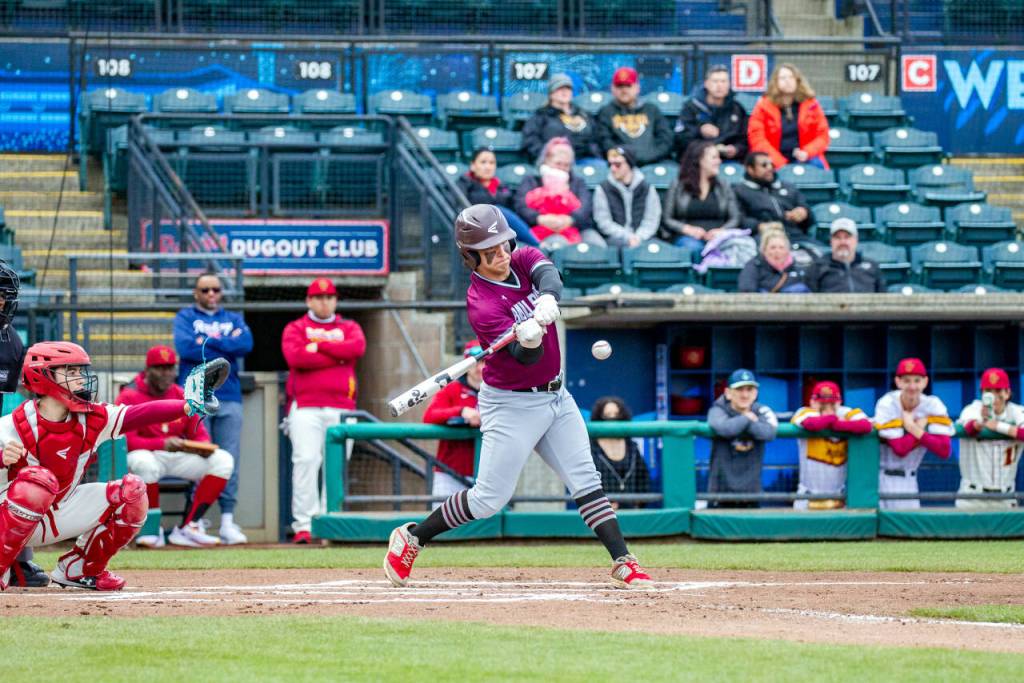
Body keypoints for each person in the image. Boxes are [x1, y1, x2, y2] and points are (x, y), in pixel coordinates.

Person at [383, 204, 653, 589]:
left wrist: (546, 298)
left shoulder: (520, 256)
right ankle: (413, 536)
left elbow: (545, 269)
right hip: (511, 404)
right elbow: (527, 359)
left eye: (501, 243)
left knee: (586, 480)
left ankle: (624, 561)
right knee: (488, 500)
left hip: (556, 397)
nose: (501, 253)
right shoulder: (482, 304)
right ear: (470, 256)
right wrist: (530, 338)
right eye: (489, 249)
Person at [0, 341, 220, 590]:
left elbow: (140, 413)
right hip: (7, 518)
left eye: (80, 371)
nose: (81, 379)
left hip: (56, 512)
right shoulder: (12, 425)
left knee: (132, 492)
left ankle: (79, 570)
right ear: (43, 376)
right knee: (37, 481)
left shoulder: (92, 417)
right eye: (71, 372)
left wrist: (187, 405)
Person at [119, 345, 234, 548]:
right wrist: (161, 443)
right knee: (143, 461)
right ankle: (152, 529)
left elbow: (200, 434)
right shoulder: (129, 395)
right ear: (148, 370)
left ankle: (190, 527)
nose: (166, 373)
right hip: (146, 456)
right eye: (160, 368)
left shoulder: (182, 394)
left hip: (177, 454)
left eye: (170, 368)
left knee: (223, 460)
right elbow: (125, 441)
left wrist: (201, 447)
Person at [281, 277, 366, 544]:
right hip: (305, 406)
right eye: (318, 297)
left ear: (335, 300)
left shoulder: (348, 326)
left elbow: (357, 348)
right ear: (309, 300)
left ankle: (332, 520)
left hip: (342, 406)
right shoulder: (296, 327)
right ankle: (305, 525)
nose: (324, 301)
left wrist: (318, 346)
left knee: (336, 466)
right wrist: (338, 355)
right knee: (306, 461)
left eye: (329, 297)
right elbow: (296, 357)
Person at [173, 272, 253, 545]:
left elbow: (246, 344)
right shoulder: (185, 316)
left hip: (229, 395)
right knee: (201, 457)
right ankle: (194, 521)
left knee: (230, 458)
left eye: (215, 289)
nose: (211, 294)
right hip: (196, 396)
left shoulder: (233, 318)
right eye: (205, 290)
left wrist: (206, 343)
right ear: (196, 293)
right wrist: (224, 345)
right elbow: (185, 347)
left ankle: (228, 521)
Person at [874, 358, 954, 510]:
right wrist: (916, 428)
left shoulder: (933, 404)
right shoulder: (887, 403)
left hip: (911, 479)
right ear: (898, 382)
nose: (912, 386)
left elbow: (944, 450)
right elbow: (900, 449)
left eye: (917, 381)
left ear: (925, 382)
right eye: (906, 381)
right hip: (885, 478)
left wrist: (914, 429)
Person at [421, 340, 484, 506]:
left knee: (482, 529)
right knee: (441, 526)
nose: (480, 368)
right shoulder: (452, 388)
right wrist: (461, 412)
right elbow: (429, 416)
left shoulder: (498, 391)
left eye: (484, 362)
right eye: (475, 363)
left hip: (485, 476)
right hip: (449, 474)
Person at [790, 381, 872, 509]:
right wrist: (834, 421)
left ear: (839, 402)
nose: (827, 407)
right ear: (812, 402)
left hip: (838, 496)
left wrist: (837, 424)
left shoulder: (846, 412)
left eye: (832, 403)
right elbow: (812, 424)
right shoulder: (805, 411)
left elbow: (866, 426)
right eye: (822, 403)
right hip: (809, 496)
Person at [706, 369, 778, 508]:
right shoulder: (718, 409)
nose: (745, 395)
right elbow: (724, 428)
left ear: (755, 393)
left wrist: (746, 423)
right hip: (721, 494)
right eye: (739, 389)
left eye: (749, 389)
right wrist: (746, 418)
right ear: (728, 393)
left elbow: (769, 432)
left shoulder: (762, 410)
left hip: (751, 493)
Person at [956, 368, 1024, 509]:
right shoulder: (972, 410)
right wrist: (980, 423)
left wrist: (998, 426)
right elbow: (968, 427)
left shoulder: (1017, 412)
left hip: (1006, 497)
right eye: (988, 391)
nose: (994, 396)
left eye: (998, 391)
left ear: (1007, 393)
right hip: (972, 497)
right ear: (982, 394)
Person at [659, 140, 742, 255]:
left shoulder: (723, 185)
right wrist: (687, 229)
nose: (719, 161)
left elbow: (735, 217)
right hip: (687, 236)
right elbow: (667, 218)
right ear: (700, 160)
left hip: (719, 236)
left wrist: (722, 231)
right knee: (694, 248)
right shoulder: (678, 185)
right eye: (714, 158)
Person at [733, 151, 819, 259]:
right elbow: (737, 218)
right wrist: (758, 226)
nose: (769, 168)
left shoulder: (788, 187)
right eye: (764, 165)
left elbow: (808, 214)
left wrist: (804, 213)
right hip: (763, 237)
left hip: (795, 234)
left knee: (820, 254)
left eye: (771, 165)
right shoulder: (740, 191)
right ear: (750, 169)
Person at [747, 63, 830, 169]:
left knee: (817, 166)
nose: (788, 81)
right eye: (783, 78)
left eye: (791, 77)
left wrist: (806, 152)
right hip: (772, 160)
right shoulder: (763, 106)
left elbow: (823, 136)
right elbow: (757, 139)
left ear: (797, 81)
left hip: (804, 158)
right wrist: (779, 162)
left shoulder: (811, 105)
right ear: (775, 83)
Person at [513, 137, 592, 247]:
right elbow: (521, 206)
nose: (562, 168)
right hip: (538, 228)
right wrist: (540, 218)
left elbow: (585, 208)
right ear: (546, 160)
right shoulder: (531, 180)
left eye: (566, 165)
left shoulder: (577, 182)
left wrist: (570, 219)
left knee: (595, 244)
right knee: (559, 243)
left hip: (573, 227)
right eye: (558, 164)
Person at [456, 148, 538, 247]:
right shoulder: (465, 182)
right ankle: (537, 245)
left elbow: (514, 209)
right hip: (477, 227)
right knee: (498, 210)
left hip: (500, 230)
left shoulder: (501, 186)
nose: (488, 167)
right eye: (483, 162)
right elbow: (460, 206)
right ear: (473, 166)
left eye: (492, 163)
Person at [595, 66, 674, 165]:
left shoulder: (652, 110)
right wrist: (625, 157)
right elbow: (605, 141)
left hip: (654, 162)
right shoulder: (606, 112)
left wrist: (650, 157)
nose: (624, 90)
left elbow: (665, 139)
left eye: (628, 85)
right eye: (619, 86)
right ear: (612, 89)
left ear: (637, 88)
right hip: (621, 164)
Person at [589, 146, 662, 248]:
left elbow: (652, 219)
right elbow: (603, 221)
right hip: (615, 239)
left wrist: (638, 237)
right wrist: (628, 237)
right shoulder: (603, 188)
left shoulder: (647, 188)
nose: (612, 169)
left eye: (618, 165)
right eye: (610, 164)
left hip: (644, 237)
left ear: (629, 164)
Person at [674, 64, 749, 161]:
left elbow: (744, 139)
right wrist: (699, 130)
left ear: (729, 84)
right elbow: (680, 138)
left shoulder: (737, 109)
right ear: (706, 84)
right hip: (697, 160)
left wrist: (736, 149)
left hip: (728, 160)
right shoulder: (691, 107)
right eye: (715, 81)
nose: (719, 85)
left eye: (723, 81)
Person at [589, 396, 652, 509]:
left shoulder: (631, 446)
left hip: (632, 512)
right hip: (602, 513)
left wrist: (638, 502)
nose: (613, 419)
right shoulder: (591, 447)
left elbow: (643, 477)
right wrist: (603, 505)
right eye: (607, 415)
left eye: (617, 414)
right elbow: (585, 481)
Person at [521, 72, 598, 163]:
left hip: (583, 159)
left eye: (568, 88)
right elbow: (531, 141)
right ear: (551, 94)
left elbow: (595, 137)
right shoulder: (540, 116)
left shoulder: (583, 114)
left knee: (599, 166)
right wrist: (547, 155)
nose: (565, 91)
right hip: (554, 161)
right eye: (560, 88)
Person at [806, 218, 885, 293]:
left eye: (847, 237)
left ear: (856, 240)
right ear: (831, 241)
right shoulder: (817, 267)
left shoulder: (872, 267)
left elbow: (883, 299)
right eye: (837, 237)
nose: (842, 242)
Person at [737, 229, 811, 293]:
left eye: (781, 247)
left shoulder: (799, 266)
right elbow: (746, 291)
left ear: (788, 250)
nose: (777, 251)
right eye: (773, 247)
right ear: (764, 250)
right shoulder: (754, 266)